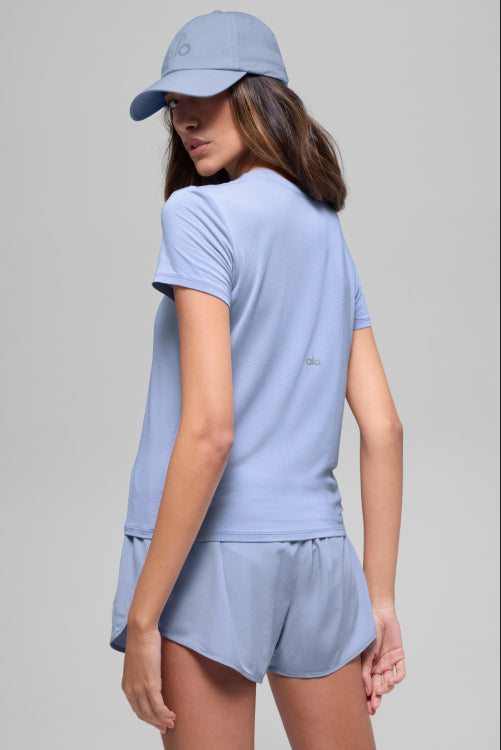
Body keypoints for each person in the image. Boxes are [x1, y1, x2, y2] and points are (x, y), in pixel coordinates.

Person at [109, 10, 405, 749]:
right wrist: (378, 599)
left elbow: (210, 431)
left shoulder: (197, 214)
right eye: (174, 103)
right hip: (318, 555)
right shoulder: (324, 226)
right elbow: (383, 428)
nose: (185, 120)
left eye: (202, 97)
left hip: (210, 554)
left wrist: (143, 618)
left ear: (258, 94)